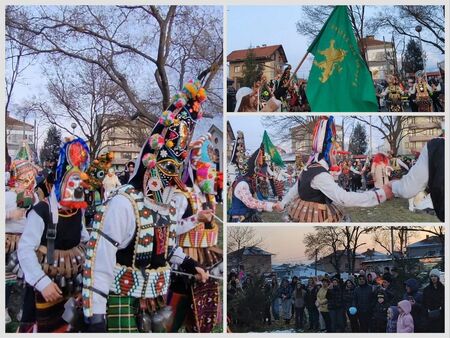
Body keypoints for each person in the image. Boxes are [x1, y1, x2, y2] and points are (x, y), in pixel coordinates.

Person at [81, 81, 210, 333]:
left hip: (154, 302)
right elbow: (100, 262)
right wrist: (95, 315)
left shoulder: (166, 206)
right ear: (150, 164)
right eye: (169, 169)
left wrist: (188, 264)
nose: (174, 181)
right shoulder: (123, 203)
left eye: (178, 170)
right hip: (120, 300)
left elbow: (164, 247)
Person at [18, 138, 90, 332]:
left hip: (73, 285)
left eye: (80, 184)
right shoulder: (41, 211)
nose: (77, 189)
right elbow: (25, 250)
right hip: (45, 287)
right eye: (73, 183)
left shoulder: (78, 212)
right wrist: (42, 282)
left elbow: (85, 240)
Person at [281, 116, 392, 223]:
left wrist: (282, 203)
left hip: (302, 213)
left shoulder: (309, 168)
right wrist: (378, 196)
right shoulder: (320, 175)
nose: (336, 156)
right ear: (328, 153)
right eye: (334, 152)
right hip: (314, 217)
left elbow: (295, 188)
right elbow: (343, 198)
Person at [168, 134, 222, 332]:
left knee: (202, 309)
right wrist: (195, 219)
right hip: (184, 256)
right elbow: (170, 229)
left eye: (212, 172)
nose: (211, 176)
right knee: (179, 304)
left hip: (205, 253)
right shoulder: (181, 197)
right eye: (206, 171)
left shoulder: (208, 196)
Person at [5, 148, 40, 328]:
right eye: (24, 177)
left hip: (25, 242)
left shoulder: (33, 197)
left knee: (23, 278)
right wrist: (10, 214)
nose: (27, 181)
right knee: (6, 277)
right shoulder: (7, 195)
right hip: (7, 242)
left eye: (30, 177)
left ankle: (17, 308)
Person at [384, 133, 444, 222]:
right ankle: (411, 204)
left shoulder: (436, 146)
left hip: (395, 175)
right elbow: (404, 165)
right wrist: (408, 169)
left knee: (409, 187)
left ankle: (408, 202)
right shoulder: (397, 159)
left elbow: (408, 186)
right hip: (399, 173)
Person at [228, 136, 283, 222]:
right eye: (257, 170)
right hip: (241, 220)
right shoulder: (242, 183)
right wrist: (272, 205)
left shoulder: (247, 181)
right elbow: (250, 202)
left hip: (248, 216)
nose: (258, 173)